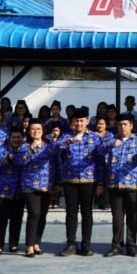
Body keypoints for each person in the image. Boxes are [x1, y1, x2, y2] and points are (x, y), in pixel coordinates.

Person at [55, 106, 102, 257]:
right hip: (70, 180)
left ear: (87, 121)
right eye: (76, 121)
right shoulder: (66, 136)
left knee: (87, 213)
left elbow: (101, 161)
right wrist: (70, 141)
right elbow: (55, 149)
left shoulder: (95, 137)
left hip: (89, 180)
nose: (79, 124)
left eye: (82, 121)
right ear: (71, 122)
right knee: (71, 213)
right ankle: (71, 244)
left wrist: (101, 183)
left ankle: (86, 245)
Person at [97, 114, 137, 257]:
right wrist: (111, 144)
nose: (122, 127)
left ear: (131, 126)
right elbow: (99, 152)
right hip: (114, 184)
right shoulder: (111, 141)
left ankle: (131, 246)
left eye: (125, 124)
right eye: (120, 124)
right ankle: (117, 246)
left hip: (132, 185)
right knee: (117, 219)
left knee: (132, 218)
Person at [13, 119, 58, 257]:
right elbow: (20, 161)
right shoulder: (24, 146)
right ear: (28, 131)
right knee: (34, 214)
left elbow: (57, 163)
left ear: (43, 131)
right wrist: (32, 148)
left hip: (46, 184)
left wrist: (58, 182)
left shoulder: (49, 146)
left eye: (38, 129)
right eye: (33, 129)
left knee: (42, 215)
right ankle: (29, 245)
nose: (36, 131)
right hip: (30, 185)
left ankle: (37, 242)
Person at [0, 127, 26, 255]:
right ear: (9, 138)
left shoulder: (25, 150)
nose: (16, 140)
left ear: (23, 138)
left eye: (19, 137)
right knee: (1, 219)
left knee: (17, 219)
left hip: (19, 190)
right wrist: (5, 160)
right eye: (13, 137)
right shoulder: (1, 150)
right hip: (2, 191)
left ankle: (13, 244)